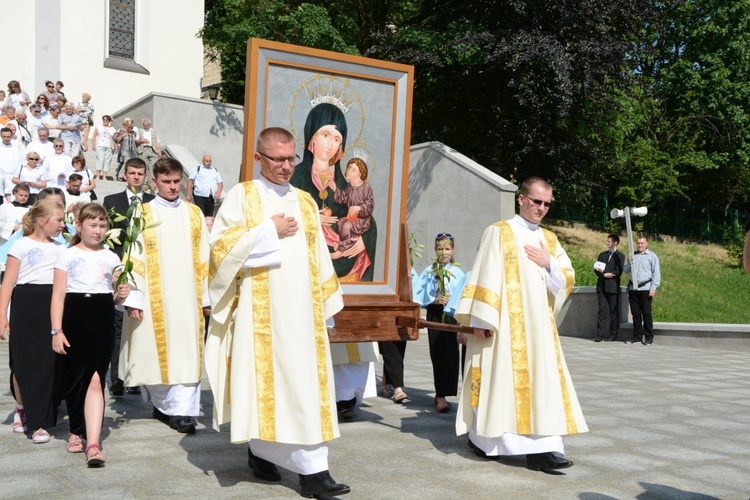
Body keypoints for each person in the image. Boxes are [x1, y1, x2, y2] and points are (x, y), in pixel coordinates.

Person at [206, 127, 351, 498]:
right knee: (267, 388)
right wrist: (267, 231)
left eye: (291, 159)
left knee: (304, 387)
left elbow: (319, 257)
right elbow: (219, 251)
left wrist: (327, 312)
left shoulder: (304, 201)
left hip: (303, 314)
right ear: (259, 159)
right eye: (278, 159)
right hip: (261, 315)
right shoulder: (242, 195)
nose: (287, 167)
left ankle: (312, 468)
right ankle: (266, 454)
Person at [454, 176, 588, 472]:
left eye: (547, 204)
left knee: (544, 386)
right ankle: (486, 442)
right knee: (499, 384)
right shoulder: (498, 233)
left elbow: (566, 279)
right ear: (522, 199)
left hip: (539, 331)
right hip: (503, 329)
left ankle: (546, 449)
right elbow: (484, 275)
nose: (541, 208)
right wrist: (479, 321)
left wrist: (548, 262)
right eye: (536, 201)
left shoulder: (550, 240)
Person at [119, 157, 209, 433]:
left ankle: (183, 411)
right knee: (153, 353)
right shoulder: (142, 212)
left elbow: (205, 255)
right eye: (166, 182)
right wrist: (133, 297)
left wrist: (206, 297)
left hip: (189, 297)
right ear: (154, 182)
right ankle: (163, 406)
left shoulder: (193, 213)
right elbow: (133, 255)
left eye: (176, 181)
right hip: (153, 296)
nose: (172, 187)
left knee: (187, 352)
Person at [51, 203, 130, 466]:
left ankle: (93, 443)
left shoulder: (112, 257)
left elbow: (117, 298)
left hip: (102, 318)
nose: (98, 231)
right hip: (74, 317)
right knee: (75, 379)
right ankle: (76, 429)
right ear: (79, 225)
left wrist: (121, 294)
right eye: (93, 225)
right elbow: (58, 296)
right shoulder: (67, 254)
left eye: (102, 225)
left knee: (96, 378)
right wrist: (56, 330)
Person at [0, 199, 67, 444]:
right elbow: (7, 283)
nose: (63, 224)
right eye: (58, 220)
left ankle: (40, 422)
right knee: (22, 361)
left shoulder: (63, 248)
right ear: (41, 221)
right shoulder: (21, 245)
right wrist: (1, 316)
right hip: (25, 305)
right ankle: (21, 408)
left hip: (51, 305)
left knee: (47, 363)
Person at [290, 103, 376, 282]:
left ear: (341, 147)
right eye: (325, 135)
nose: (330, 145)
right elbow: (284, 213)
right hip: (307, 259)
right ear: (312, 136)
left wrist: (364, 242)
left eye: (337, 139)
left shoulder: (345, 185)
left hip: (344, 257)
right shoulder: (297, 178)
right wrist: (311, 217)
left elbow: (368, 219)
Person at [102, 157, 155, 397]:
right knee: (118, 325)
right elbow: (107, 235)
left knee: (140, 325)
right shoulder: (111, 201)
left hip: (145, 272)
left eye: (140, 173)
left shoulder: (154, 203)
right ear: (125, 175)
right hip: (121, 270)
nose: (136, 177)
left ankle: (135, 377)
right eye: (132, 173)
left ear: (145, 176)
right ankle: (116, 378)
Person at [417, 233, 465, 413]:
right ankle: (441, 395)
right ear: (435, 250)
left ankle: (445, 391)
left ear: (452, 250)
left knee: (452, 354)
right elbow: (421, 294)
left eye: (447, 249)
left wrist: (452, 298)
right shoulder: (431, 271)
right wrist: (436, 299)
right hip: (436, 314)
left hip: (452, 314)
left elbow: (463, 292)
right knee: (438, 352)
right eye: (440, 249)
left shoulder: (458, 271)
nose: (443, 253)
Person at [325, 157, 374, 256]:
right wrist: (334, 188)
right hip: (351, 218)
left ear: (361, 173)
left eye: (353, 169)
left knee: (347, 226)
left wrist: (359, 208)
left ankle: (341, 249)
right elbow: (343, 198)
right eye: (349, 168)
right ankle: (344, 243)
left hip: (362, 220)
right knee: (340, 223)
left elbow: (370, 204)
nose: (349, 171)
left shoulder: (366, 187)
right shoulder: (349, 187)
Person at [623, 236, 661, 345]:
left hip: (645, 289)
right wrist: (629, 261)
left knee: (646, 313)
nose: (640, 245)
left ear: (646, 244)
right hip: (633, 289)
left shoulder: (652, 256)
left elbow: (656, 273)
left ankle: (649, 338)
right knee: (635, 314)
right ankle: (637, 337)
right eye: (638, 243)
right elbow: (625, 270)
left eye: (642, 243)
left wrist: (653, 288)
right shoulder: (632, 255)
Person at [594, 233, 625, 342]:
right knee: (602, 311)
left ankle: (613, 334)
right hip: (602, 287)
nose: (607, 243)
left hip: (613, 287)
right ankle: (600, 335)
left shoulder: (620, 256)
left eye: (609, 241)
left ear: (615, 243)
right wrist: (604, 275)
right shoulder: (602, 255)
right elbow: (596, 269)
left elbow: (618, 271)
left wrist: (606, 273)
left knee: (613, 312)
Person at [186, 154, 223, 227]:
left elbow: (220, 183)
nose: (209, 162)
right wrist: (189, 194)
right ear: (203, 161)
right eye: (207, 161)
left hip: (210, 197)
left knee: (209, 216)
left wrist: (219, 192)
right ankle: (199, 230)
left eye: (210, 161)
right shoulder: (197, 169)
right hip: (199, 196)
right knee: (200, 215)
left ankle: (207, 232)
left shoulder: (215, 170)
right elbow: (190, 181)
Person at [92, 115, 116, 180]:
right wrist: (93, 144)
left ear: (109, 121)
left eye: (106, 120)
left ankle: (104, 176)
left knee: (107, 161)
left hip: (109, 146)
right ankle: (98, 176)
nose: (105, 121)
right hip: (100, 145)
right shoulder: (99, 127)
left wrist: (115, 147)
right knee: (100, 160)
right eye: (104, 120)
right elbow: (94, 136)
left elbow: (114, 139)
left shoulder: (112, 129)